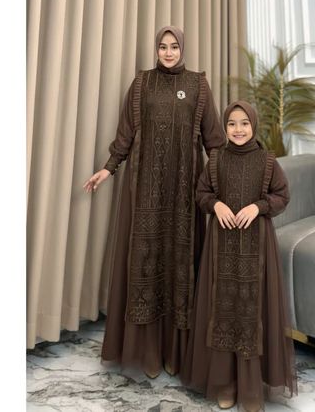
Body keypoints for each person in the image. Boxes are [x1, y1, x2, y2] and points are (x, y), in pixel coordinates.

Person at [83, 26, 226, 378]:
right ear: (156, 49)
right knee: (146, 266)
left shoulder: (198, 85)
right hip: (145, 191)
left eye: (174, 46)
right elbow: (125, 135)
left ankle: (175, 352)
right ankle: (147, 353)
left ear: (182, 48)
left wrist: (225, 185)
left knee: (180, 264)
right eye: (163, 46)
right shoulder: (142, 83)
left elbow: (214, 141)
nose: (168, 52)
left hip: (184, 194)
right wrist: (108, 169)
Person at [180, 101, 297, 411]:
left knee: (251, 311)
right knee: (223, 309)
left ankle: (250, 386)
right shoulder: (216, 159)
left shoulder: (268, 161)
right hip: (221, 248)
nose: (238, 129)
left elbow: (283, 195)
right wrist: (215, 205)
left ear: (253, 125)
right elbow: (202, 193)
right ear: (224, 127)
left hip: (257, 248)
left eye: (244, 123)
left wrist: (258, 207)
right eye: (231, 123)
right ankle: (225, 383)